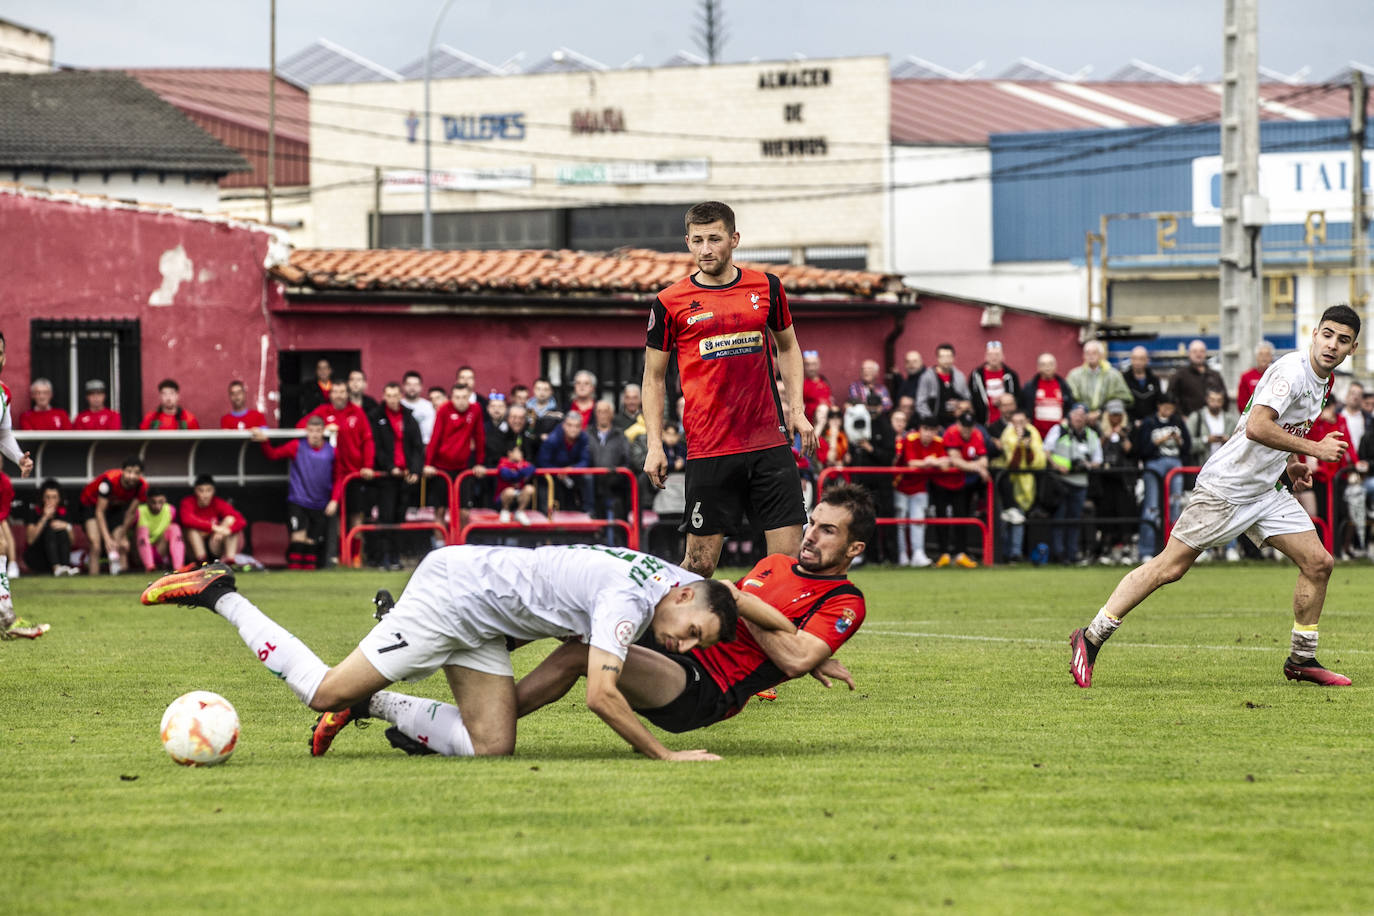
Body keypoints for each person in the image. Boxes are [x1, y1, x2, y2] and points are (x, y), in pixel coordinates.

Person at [324, 484, 872, 758]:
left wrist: (773, 628)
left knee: (578, 654)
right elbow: (731, 604)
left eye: (828, 531)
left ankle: (453, 718)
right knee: (574, 625)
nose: (811, 534)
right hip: (680, 653)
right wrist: (756, 615)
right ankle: (437, 706)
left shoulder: (847, 600)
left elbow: (795, 654)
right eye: (814, 522)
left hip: (706, 689)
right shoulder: (775, 564)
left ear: (854, 548)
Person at [142, 544, 760, 762]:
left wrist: (803, 648)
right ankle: (218, 590)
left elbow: (730, 594)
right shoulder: (630, 600)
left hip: (486, 616)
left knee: (492, 746)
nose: (681, 645)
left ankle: (372, 704)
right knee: (323, 690)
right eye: (690, 632)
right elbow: (601, 693)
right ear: (681, 595)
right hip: (454, 596)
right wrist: (666, 753)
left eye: (694, 644)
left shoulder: (666, 579)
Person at [1070, 305, 1362, 689]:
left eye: (1342, 340)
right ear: (1314, 334)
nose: (1331, 345)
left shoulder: (1324, 380)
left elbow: (1281, 425)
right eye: (1326, 334)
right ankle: (1089, 638)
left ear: (1352, 348)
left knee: (1319, 562)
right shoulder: (1292, 371)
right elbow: (1257, 426)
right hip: (1227, 487)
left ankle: (1301, 658)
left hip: (1265, 490)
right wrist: (1313, 449)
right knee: (1169, 568)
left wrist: (1290, 462)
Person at [642, 201, 813, 577]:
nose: (706, 249)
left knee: (786, 564)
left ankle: (769, 635)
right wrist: (655, 444)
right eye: (698, 240)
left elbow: (788, 347)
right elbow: (653, 378)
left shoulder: (767, 287)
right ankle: (651, 625)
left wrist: (797, 410)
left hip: (769, 442)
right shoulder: (670, 303)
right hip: (710, 447)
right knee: (699, 566)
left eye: (715, 239)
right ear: (687, 242)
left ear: (733, 239)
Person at [299, 379, 376, 560]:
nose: (339, 395)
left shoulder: (357, 413)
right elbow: (301, 427)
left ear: (347, 394)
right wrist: (324, 429)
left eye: (343, 392)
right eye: (336, 392)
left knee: (356, 516)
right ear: (330, 394)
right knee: (337, 518)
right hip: (333, 476)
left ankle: (356, 557)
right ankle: (341, 556)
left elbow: (368, 441)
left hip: (355, 475)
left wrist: (368, 466)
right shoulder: (322, 412)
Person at [252, 417, 338, 570]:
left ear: (323, 432)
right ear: (306, 431)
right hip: (299, 501)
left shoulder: (331, 451)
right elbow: (273, 454)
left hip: (320, 503)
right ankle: (294, 574)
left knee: (312, 541)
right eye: (311, 431)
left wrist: (335, 499)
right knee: (298, 538)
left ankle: (309, 580)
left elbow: (339, 476)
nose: (315, 435)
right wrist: (264, 441)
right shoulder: (297, 446)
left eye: (318, 431)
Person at [369, 382, 424, 571]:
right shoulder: (376, 417)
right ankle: (383, 556)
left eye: (395, 395)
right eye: (389, 395)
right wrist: (389, 467)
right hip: (386, 476)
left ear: (400, 396)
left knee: (400, 517)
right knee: (386, 517)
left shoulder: (408, 417)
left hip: (406, 477)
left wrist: (416, 470)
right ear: (384, 396)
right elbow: (376, 447)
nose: (392, 399)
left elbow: (417, 446)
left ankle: (395, 556)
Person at [1133, 392, 1191, 562]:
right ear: (1159, 406)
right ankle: (1146, 550)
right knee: (1151, 507)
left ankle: (1173, 551)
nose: (1168, 411)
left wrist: (1179, 440)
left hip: (1175, 463)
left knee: (1175, 505)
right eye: (1166, 407)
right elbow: (1142, 449)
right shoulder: (1149, 422)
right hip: (1154, 463)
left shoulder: (1178, 421)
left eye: (1171, 408)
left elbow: (1187, 447)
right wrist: (1161, 440)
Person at [1043, 404, 1103, 564]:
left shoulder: (1091, 434)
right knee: (1060, 518)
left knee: (1075, 520)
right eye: (1076, 415)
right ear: (1070, 416)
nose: (1079, 418)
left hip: (1080, 482)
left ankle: (1072, 554)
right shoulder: (1059, 430)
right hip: (1060, 482)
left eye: (1082, 415)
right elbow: (1046, 450)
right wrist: (1057, 466)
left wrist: (1088, 465)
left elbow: (1098, 459)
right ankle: (1059, 554)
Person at [931, 407, 988, 568]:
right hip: (941, 482)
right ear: (959, 424)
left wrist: (973, 465)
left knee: (962, 517)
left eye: (969, 427)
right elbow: (955, 459)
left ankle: (960, 553)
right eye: (964, 426)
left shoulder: (977, 434)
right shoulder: (951, 432)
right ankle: (944, 554)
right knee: (942, 518)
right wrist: (977, 467)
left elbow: (984, 460)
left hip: (960, 483)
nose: (967, 430)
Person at [425, 383, 485, 535]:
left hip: (463, 468)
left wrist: (479, 463)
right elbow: (435, 438)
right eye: (457, 398)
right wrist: (428, 464)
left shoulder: (476, 409)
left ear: (469, 397)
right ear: (451, 398)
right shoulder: (444, 410)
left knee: (464, 512)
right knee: (439, 510)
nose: (461, 401)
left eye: (464, 397)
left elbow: (479, 437)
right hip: (441, 467)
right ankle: (439, 547)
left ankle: (460, 547)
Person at [79, 456, 147, 576]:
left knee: (123, 545)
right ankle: (93, 580)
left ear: (141, 474)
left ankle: (122, 579)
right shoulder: (109, 481)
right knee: (96, 544)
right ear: (123, 471)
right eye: (129, 472)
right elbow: (99, 512)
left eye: (136, 473)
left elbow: (131, 513)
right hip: (91, 506)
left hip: (114, 508)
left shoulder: (142, 486)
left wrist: (121, 536)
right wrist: (107, 539)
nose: (132, 476)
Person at [894, 415, 947, 567]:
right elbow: (911, 463)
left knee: (918, 520)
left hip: (920, 487)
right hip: (901, 485)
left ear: (936, 431)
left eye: (932, 430)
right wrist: (929, 462)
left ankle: (918, 553)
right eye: (925, 429)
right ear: (920, 429)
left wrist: (933, 462)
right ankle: (902, 554)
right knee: (901, 521)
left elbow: (946, 462)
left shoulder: (938, 442)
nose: (928, 433)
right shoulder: (910, 439)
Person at [997, 409, 1045, 562]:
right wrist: (1019, 445)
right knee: (1009, 517)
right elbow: (1012, 465)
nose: (1019, 426)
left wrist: (1028, 447)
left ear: (1027, 422)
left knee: (1019, 517)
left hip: (1028, 483)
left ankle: (1015, 553)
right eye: (1016, 422)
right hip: (1008, 483)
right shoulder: (1007, 435)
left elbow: (1037, 463)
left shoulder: (1033, 434)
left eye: (1022, 422)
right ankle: (1006, 554)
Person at [1094, 400, 1137, 565]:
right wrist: (1105, 436)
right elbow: (1096, 449)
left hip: (1124, 478)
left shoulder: (1129, 430)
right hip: (1105, 478)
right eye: (1113, 415)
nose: (1116, 418)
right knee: (1107, 512)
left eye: (1119, 415)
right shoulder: (1099, 430)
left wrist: (1122, 436)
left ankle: (1126, 547)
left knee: (1125, 512)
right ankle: (1106, 547)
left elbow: (1131, 451)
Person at [178, 474, 246, 565]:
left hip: (214, 546)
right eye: (201, 490)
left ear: (213, 491)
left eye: (208, 490)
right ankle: (202, 562)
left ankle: (230, 561)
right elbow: (186, 520)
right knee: (191, 530)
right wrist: (213, 527)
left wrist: (226, 530)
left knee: (230, 519)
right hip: (192, 551)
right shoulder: (187, 502)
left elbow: (241, 520)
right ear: (195, 491)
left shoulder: (218, 502)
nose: (205, 495)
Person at [21, 478, 80, 576]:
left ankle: (64, 567)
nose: (51, 501)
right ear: (42, 498)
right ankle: (56, 568)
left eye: (54, 497)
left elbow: (72, 542)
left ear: (59, 498)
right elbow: (30, 540)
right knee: (50, 530)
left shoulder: (64, 513)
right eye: (47, 497)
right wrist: (44, 518)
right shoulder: (35, 513)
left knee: (61, 530)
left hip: (59, 556)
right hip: (38, 557)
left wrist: (67, 526)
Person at [1066, 340, 1133, 426]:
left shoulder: (1113, 375)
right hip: (1081, 417)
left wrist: (1101, 411)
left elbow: (1125, 398)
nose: (1091, 356)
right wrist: (1084, 412)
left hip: (1106, 419)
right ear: (1083, 355)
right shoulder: (1074, 375)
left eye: (1094, 353)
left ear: (1101, 355)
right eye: (1087, 353)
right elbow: (1070, 398)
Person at [536, 411, 591, 511]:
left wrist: (571, 469)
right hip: (552, 475)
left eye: (577, 426)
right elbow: (543, 463)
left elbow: (585, 460)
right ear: (564, 425)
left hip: (572, 474)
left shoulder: (584, 438)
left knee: (588, 478)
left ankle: (588, 511)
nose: (573, 429)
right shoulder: (552, 439)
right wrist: (559, 471)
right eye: (569, 425)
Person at [915, 344, 970, 428]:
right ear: (937, 358)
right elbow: (920, 404)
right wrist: (932, 422)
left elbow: (967, 399)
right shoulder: (927, 377)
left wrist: (961, 406)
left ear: (953, 358)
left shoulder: (959, 376)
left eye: (949, 357)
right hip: (934, 425)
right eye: (943, 357)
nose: (946, 360)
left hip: (958, 425)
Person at [969, 341, 1020, 426]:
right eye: (991, 355)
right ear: (986, 357)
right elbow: (972, 397)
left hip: (1007, 422)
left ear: (1003, 356)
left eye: (997, 355)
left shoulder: (1011, 375)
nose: (994, 358)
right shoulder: (976, 375)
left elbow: (1017, 398)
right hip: (983, 421)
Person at [1172, 339, 1227, 417]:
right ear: (1189, 354)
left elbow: (1225, 398)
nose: (1198, 354)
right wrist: (1181, 417)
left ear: (1205, 353)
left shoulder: (1215, 375)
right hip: (1189, 422)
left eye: (1201, 351)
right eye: (1195, 351)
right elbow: (1171, 399)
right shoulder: (1180, 376)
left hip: (1214, 421)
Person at [1021, 353, 1071, 439]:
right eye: (1043, 364)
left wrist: (1066, 420)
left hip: (1059, 436)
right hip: (1036, 436)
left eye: (1050, 364)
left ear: (1055, 366)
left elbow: (1070, 406)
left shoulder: (1063, 386)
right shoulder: (1030, 387)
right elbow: (1022, 406)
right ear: (1038, 367)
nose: (1047, 367)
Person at [136, 489, 185, 572]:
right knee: (142, 530)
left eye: (160, 502)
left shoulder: (170, 510)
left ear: (165, 500)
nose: (157, 506)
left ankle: (178, 567)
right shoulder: (139, 511)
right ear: (147, 501)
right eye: (153, 502)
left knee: (175, 527)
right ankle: (149, 566)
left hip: (160, 549)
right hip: (141, 552)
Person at [1186, 388, 1238, 466]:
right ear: (1207, 399)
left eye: (1219, 400)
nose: (1216, 404)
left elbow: (1237, 443)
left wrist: (1227, 440)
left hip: (1224, 465)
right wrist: (1206, 440)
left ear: (1223, 401)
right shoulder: (1196, 417)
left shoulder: (1230, 420)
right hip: (1201, 465)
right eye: (1212, 400)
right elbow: (1187, 443)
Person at [495, 443, 537, 525]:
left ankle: (520, 512)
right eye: (518, 452)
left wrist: (517, 472)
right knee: (510, 491)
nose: (521, 454)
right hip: (503, 498)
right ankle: (505, 511)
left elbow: (532, 468)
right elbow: (507, 475)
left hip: (518, 496)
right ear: (510, 453)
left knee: (530, 488)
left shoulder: (522, 464)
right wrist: (520, 474)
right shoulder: (503, 462)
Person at [1123, 346, 1162, 427]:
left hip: (1151, 423)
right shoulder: (1123, 379)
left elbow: (1158, 402)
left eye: (1141, 359)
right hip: (1129, 424)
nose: (1138, 362)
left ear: (1147, 360)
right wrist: (1133, 421)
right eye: (1135, 358)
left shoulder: (1154, 380)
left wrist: (1150, 421)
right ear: (1131, 360)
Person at [1237, 341, 1275, 412]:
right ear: (1256, 357)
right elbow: (1241, 403)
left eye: (1267, 354)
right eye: (1261, 354)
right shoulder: (1246, 376)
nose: (1264, 357)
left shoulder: (1276, 375)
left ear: (1271, 357)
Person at [400, 371, 437, 445]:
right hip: (404, 446)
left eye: (416, 385)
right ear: (403, 386)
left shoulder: (429, 406)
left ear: (421, 387)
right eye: (409, 384)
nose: (412, 388)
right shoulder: (398, 405)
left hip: (425, 446)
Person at [801, 350, 835, 425]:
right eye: (807, 365)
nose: (811, 368)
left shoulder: (824, 382)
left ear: (819, 365)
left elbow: (829, 399)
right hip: (810, 418)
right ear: (803, 366)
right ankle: (815, 436)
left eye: (813, 364)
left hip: (827, 417)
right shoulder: (801, 383)